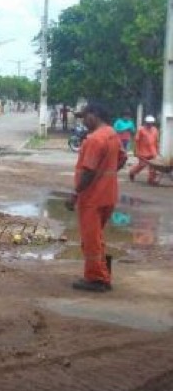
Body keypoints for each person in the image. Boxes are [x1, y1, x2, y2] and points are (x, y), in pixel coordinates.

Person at [65, 103, 124, 292]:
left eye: (85, 117)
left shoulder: (95, 139)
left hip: (92, 198)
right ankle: (103, 274)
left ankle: (96, 279)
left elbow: (88, 171)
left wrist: (75, 194)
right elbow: (121, 159)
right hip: (108, 195)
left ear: (94, 115)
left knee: (90, 239)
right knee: (97, 237)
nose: (83, 121)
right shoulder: (112, 134)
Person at [129, 115, 160, 186]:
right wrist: (136, 151)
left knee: (153, 166)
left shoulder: (155, 130)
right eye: (148, 123)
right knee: (142, 165)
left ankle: (151, 180)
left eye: (151, 123)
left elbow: (156, 141)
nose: (150, 124)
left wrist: (157, 150)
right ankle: (132, 172)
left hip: (153, 151)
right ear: (145, 122)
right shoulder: (141, 130)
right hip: (143, 152)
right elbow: (136, 141)